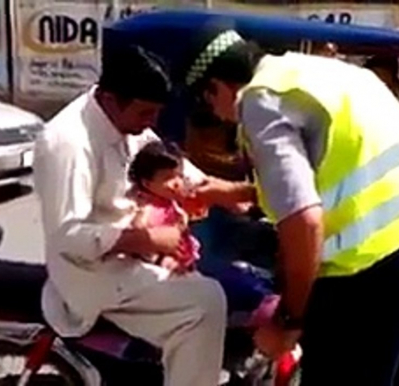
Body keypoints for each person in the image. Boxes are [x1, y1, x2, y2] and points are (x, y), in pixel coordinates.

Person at [184, 24, 399, 385]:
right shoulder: (321, 72)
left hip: (369, 276)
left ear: (216, 86)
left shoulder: (258, 100)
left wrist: (288, 321)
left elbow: (305, 220)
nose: (218, 116)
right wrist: (232, 192)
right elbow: (331, 178)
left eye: (209, 102)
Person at [33, 44, 252, 386]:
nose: (151, 123)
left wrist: (236, 194)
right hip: (93, 273)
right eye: (145, 113)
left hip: (140, 257)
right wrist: (144, 239)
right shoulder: (68, 143)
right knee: (205, 304)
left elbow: (170, 168)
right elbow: (67, 236)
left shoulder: (127, 124)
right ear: (108, 99)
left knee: (232, 280)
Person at [128, 140, 203, 274]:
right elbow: (139, 229)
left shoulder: (171, 201)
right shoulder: (149, 208)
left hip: (183, 257)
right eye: (168, 178)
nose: (177, 183)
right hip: (162, 262)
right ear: (147, 183)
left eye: (179, 176)